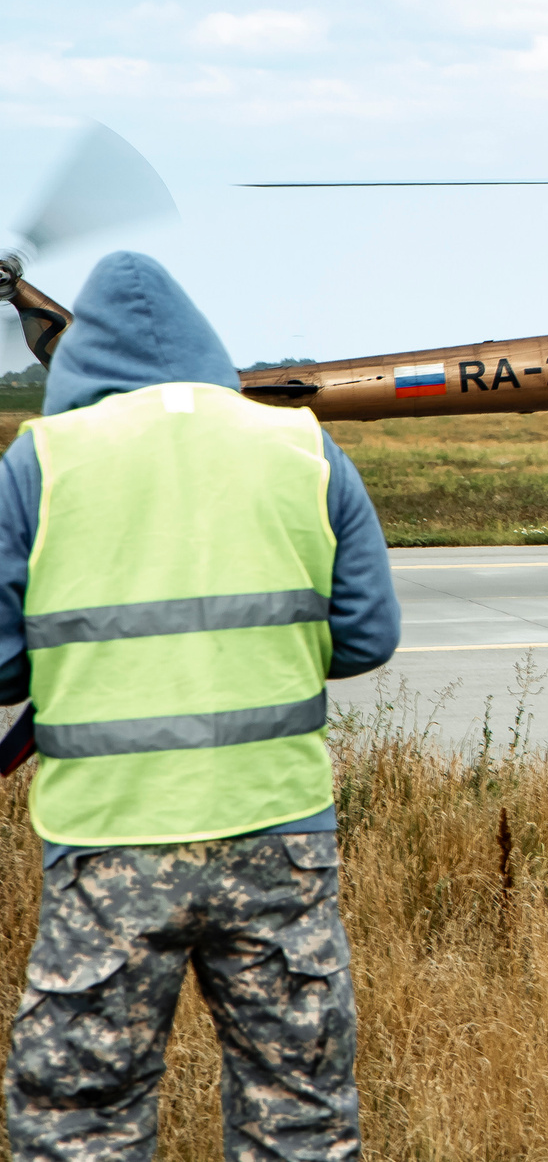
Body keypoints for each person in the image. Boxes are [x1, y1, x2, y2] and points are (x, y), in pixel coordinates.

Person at [0, 253, 400, 1161]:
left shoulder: (42, 460)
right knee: (300, 1116)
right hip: (280, 840)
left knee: (81, 1123)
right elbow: (370, 635)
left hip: (107, 845)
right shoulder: (302, 444)